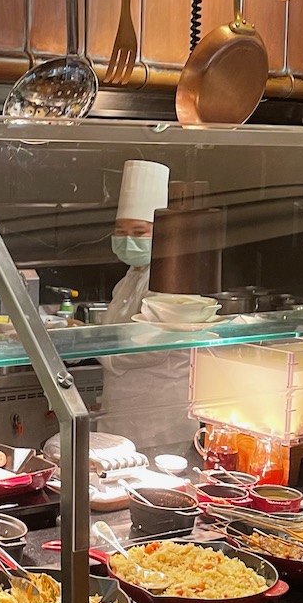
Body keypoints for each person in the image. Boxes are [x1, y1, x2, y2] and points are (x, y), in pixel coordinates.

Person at [98, 160, 194, 455]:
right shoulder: (131, 275)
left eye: (139, 232)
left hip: (158, 421)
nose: (128, 240)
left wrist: (94, 346)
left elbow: (151, 346)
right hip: (124, 414)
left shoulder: (172, 274)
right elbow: (116, 324)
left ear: (162, 232)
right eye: (121, 230)